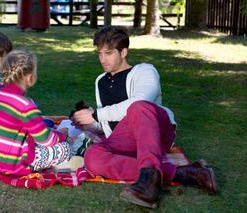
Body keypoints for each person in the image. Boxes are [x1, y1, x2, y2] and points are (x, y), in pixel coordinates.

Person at [72, 26, 217, 208]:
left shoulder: (145, 71)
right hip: (125, 139)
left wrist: (95, 114)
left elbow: (139, 102)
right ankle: (186, 174)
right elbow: (109, 121)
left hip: (153, 132)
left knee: (138, 107)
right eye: (99, 53)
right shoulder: (100, 81)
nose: (103, 59)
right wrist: (89, 122)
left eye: (108, 53)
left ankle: (149, 187)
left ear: (123, 52)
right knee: (92, 157)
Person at [0, 50, 73, 177]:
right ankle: (60, 162)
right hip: (8, 164)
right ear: (30, 77)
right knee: (65, 148)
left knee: (38, 139)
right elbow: (46, 141)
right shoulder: (25, 105)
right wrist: (61, 135)